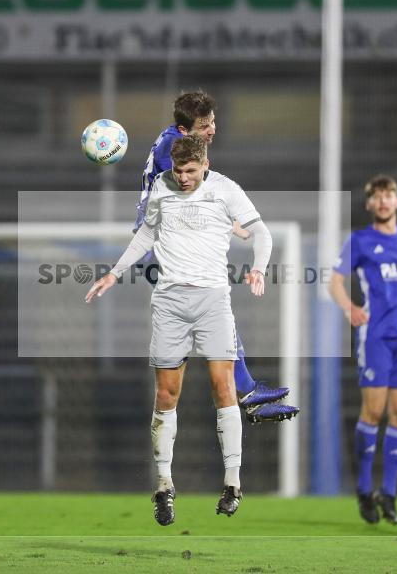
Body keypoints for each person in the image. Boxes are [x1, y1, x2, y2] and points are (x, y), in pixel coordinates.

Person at [87, 135, 271, 526]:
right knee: (167, 394)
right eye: (177, 170)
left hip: (213, 303)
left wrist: (258, 267)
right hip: (170, 303)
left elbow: (262, 233)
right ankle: (164, 485)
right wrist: (113, 273)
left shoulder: (225, 190)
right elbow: (147, 235)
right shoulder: (161, 187)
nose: (183, 178)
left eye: (190, 171)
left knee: (224, 387)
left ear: (204, 165)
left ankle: (233, 483)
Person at [134, 90, 298, 425]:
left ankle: (246, 390)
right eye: (204, 125)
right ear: (184, 130)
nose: (212, 130)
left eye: (213, 122)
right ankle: (245, 392)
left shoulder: (174, 141)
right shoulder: (172, 148)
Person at [329, 175, 397, 525]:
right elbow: (335, 281)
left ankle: (389, 493)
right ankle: (362, 488)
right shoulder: (360, 240)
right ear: (370, 204)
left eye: (389, 196)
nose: (384, 202)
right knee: (373, 411)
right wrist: (349, 308)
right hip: (375, 337)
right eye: (377, 197)